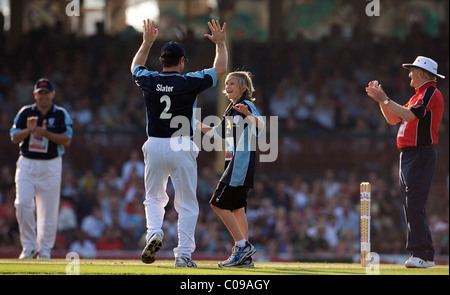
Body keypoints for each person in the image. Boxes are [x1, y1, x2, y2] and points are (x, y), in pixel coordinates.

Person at [130, 19, 228, 267]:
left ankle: (153, 233)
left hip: (154, 144)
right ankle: (183, 254)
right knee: (186, 203)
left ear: (162, 61)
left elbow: (135, 67)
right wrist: (221, 44)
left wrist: (146, 43)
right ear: (182, 62)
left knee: (153, 198)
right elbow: (220, 69)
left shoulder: (150, 80)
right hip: (181, 144)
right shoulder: (189, 81)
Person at [365, 56, 445, 268]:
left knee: (414, 204)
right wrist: (381, 101)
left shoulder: (430, 92)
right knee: (412, 205)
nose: (409, 74)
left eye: (412, 70)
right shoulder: (418, 95)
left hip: (419, 154)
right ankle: (426, 255)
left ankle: (419, 253)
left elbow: (411, 117)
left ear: (422, 73)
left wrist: (385, 99)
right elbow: (393, 119)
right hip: (411, 155)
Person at [196, 71, 264, 268]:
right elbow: (219, 134)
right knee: (237, 208)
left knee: (218, 203)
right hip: (234, 161)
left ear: (243, 87)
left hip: (240, 161)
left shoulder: (246, 105)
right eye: (226, 83)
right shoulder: (231, 109)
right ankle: (245, 258)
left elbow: (262, 125)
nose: (227, 86)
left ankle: (242, 246)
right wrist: (195, 123)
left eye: (232, 83)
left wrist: (248, 115)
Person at [10, 78, 73, 259]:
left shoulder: (60, 114)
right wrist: (29, 131)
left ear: (52, 95)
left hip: (51, 164)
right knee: (22, 203)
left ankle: (44, 251)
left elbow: (67, 139)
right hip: (27, 164)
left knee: (48, 211)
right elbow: (14, 137)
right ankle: (29, 247)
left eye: (46, 93)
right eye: (40, 93)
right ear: (35, 95)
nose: (43, 97)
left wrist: (46, 133)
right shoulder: (26, 113)